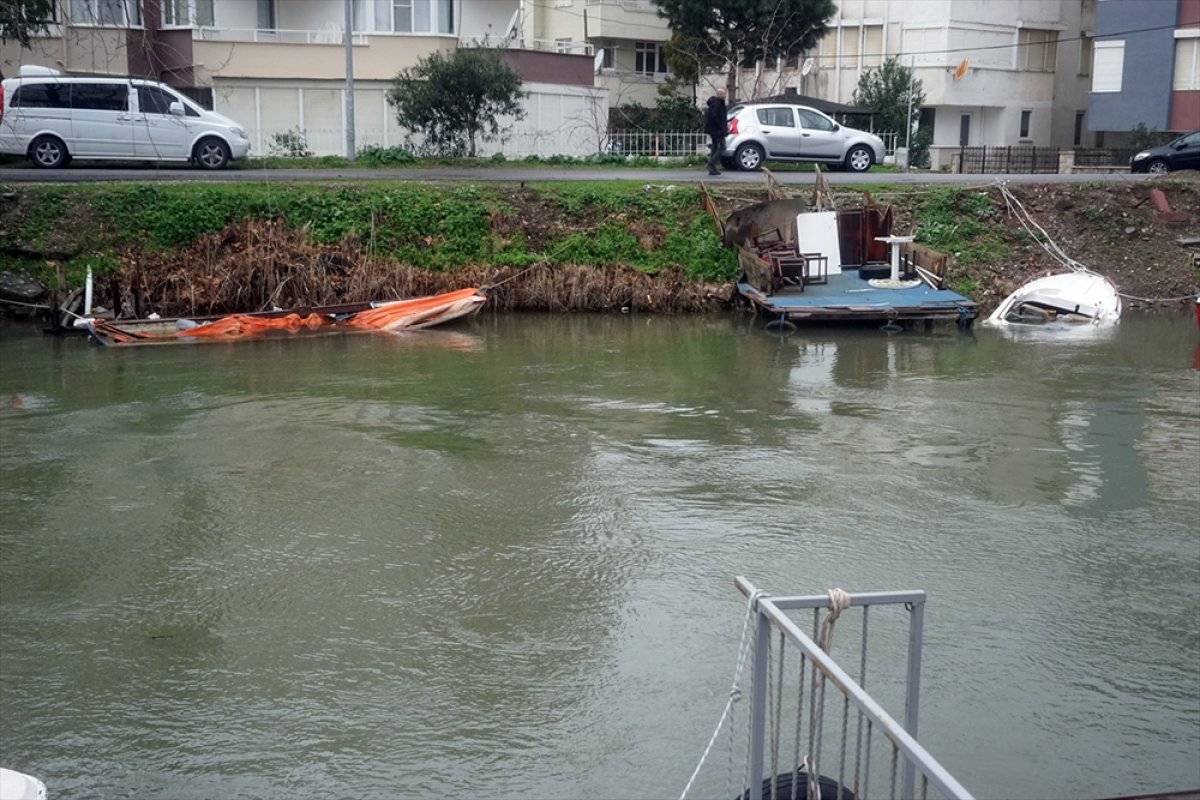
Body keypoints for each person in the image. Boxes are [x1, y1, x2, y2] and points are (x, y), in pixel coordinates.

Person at [704, 89, 728, 176]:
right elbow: (715, 117)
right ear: (720, 94)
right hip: (717, 130)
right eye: (724, 94)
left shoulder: (716, 103)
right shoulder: (717, 104)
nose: (725, 95)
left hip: (714, 130)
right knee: (723, 147)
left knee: (714, 147)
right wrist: (721, 127)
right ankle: (710, 163)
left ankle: (712, 168)